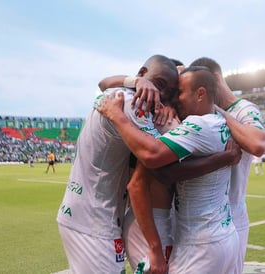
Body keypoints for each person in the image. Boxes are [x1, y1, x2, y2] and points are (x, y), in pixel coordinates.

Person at [98, 64, 241, 273]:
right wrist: (223, 159)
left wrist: (117, 116)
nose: (176, 98)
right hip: (221, 235)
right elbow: (143, 181)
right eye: (173, 92)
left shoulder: (193, 124)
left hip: (199, 241)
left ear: (200, 94)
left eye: (179, 92)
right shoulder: (217, 122)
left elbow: (159, 164)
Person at [56, 54, 179, 274]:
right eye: (158, 84)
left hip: (88, 215)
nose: (160, 95)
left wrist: (139, 83)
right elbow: (153, 155)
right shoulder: (133, 103)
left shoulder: (116, 94)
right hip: (94, 222)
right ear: (142, 73)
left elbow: (104, 83)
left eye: (168, 94)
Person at [190, 57, 265, 273]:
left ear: (214, 79)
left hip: (232, 218)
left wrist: (219, 112)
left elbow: (257, 143)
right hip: (200, 222)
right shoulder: (200, 111)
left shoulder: (243, 109)